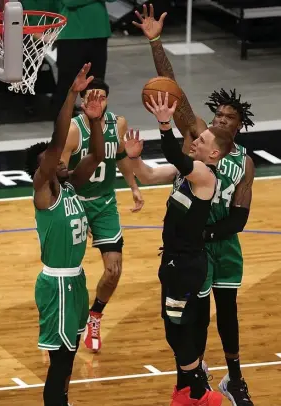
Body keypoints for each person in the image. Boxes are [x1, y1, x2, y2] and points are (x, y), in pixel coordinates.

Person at [133, 5, 255, 406]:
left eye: (227, 117)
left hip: (216, 241)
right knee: (190, 317)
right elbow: (172, 91)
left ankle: (233, 380)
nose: (217, 120)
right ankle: (191, 378)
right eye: (216, 114)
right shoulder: (199, 140)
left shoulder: (242, 163)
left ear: (238, 126)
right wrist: (155, 41)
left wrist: (209, 232)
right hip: (191, 245)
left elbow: (239, 215)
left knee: (227, 313)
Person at [125, 91, 233, 406]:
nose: (196, 141)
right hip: (174, 261)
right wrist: (134, 157)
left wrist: (163, 123)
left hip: (186, 265)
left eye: (202, 140)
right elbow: (145, 175)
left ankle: (200, 391)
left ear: (214, 154)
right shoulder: (183, 174)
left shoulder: (204, 175)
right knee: (174, 324)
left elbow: (174, 153)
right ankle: (190, 390)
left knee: (175, 330)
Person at [24, 63, 105, 406]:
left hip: (76, 281)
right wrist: (72, 96)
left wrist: (96, 119)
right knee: (59, 362)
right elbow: (58, 142)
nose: (59, 160)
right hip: (56, 284)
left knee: (69, 357)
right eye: (51, 159)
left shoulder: (70, 186)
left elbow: (98, 155)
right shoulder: (44, 191)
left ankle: (62, 401)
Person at [61, 77, 144, 352]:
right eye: (91, 97)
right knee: (67, 271)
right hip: (75, 202)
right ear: (83, 100)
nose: (96, 102)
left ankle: (94, 316)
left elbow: (120, 156)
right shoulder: (73, 129)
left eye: (102, 97)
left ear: (107, 100)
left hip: (105, 203)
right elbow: (59, 172)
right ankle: (64, 320)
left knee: (114, 270)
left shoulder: (117, 123)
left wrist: (133, 186)